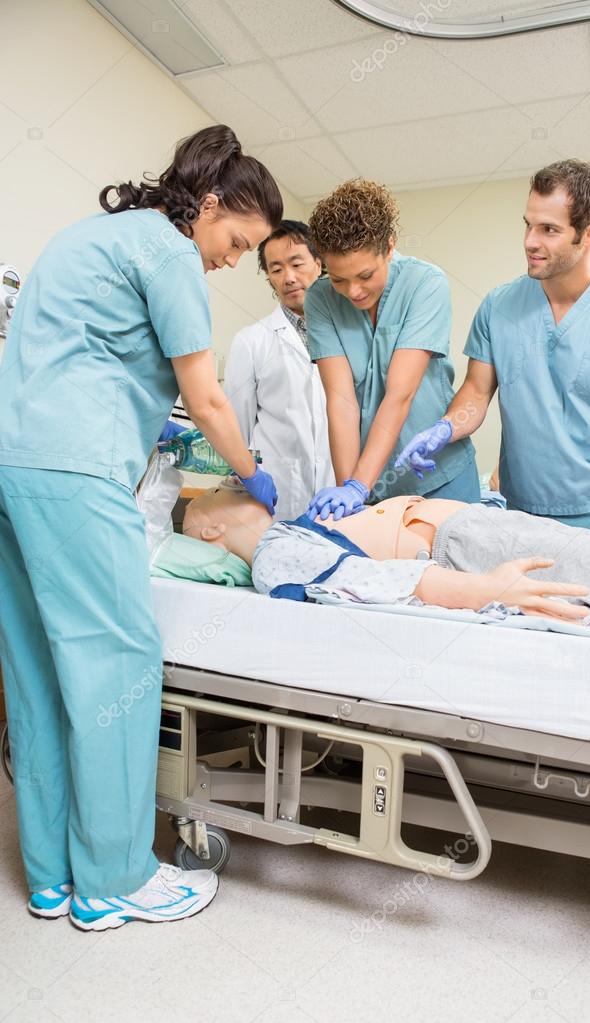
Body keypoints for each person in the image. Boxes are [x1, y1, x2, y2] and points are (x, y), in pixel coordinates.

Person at [0, 124, 282, 931]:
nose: (232, 259)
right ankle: (115, 877)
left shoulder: (94, 236)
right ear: (211, 205)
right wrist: (255, 473)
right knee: (118, 663)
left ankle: (52, 876)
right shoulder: (167, 252)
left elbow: (88, 360)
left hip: (15, 465)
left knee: (39, 672)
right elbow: (210, 399)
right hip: (76, 470)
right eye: (236, 240)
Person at [397, 160, 590, 537]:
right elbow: (477, 392)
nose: (530, 241)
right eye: (528, 224)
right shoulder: (498, 307)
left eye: (549, 229)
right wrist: (443, 429)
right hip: (523, 511)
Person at [183, 488, 590, 630]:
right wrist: (487, 591)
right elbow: (375, 580)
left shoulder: (287, 531)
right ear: (209, 528)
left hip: (475, 528)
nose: (237, 480)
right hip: (469, 548)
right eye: (219, 492)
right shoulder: (273, 558)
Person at [303, 179, 480, 522]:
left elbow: (400, 393)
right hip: (374, 485)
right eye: (338, 278)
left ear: (389, 246)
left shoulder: (424, 284)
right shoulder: (320, 299)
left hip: (440, 475)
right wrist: (352, 492)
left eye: (365, 275)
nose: (352, 291)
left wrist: (358, 484)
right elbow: (341, 401)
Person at [223, 220, 333, 519]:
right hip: (277, 498)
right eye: (276, 269)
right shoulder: (251, 341)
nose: (289, 277)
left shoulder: (347, 333)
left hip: (336, 497)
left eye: (297, 264)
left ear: (319, 263)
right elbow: (235, 430)